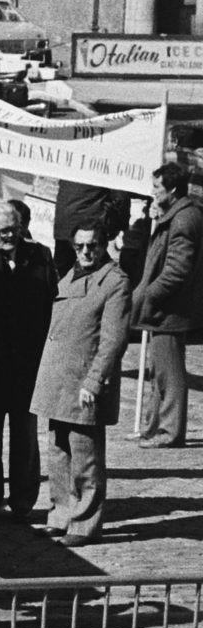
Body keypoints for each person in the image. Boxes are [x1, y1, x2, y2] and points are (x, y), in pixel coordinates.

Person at [34, 220, 132, 543]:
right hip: (58, 378)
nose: (86, 252)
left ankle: (85, 523)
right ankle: (61, 513)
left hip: (83, 382)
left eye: (93, 245)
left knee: (85, 457)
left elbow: (113, 341)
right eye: (80, 246)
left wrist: (94, 381)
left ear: (105, 245)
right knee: (58, 452)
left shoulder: (115, 282)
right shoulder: (69, 274)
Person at [0, 199, 57, 521]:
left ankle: (24, 500)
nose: (9, 237)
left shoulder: (40, 255)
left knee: (25, 435)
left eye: (14, 230)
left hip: (27, 363)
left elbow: (50, 300)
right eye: (2, 232)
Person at [130, 159, 201, 446]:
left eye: (157, 187)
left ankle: (169, 432)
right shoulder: (178, 214)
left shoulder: (183, 219)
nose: (153, 191)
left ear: (172, 189)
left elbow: (176, 271)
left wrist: (149, 294)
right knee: (159, 370)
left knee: (169, 372)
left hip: (170, 309)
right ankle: (154, 428)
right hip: (167, 307)